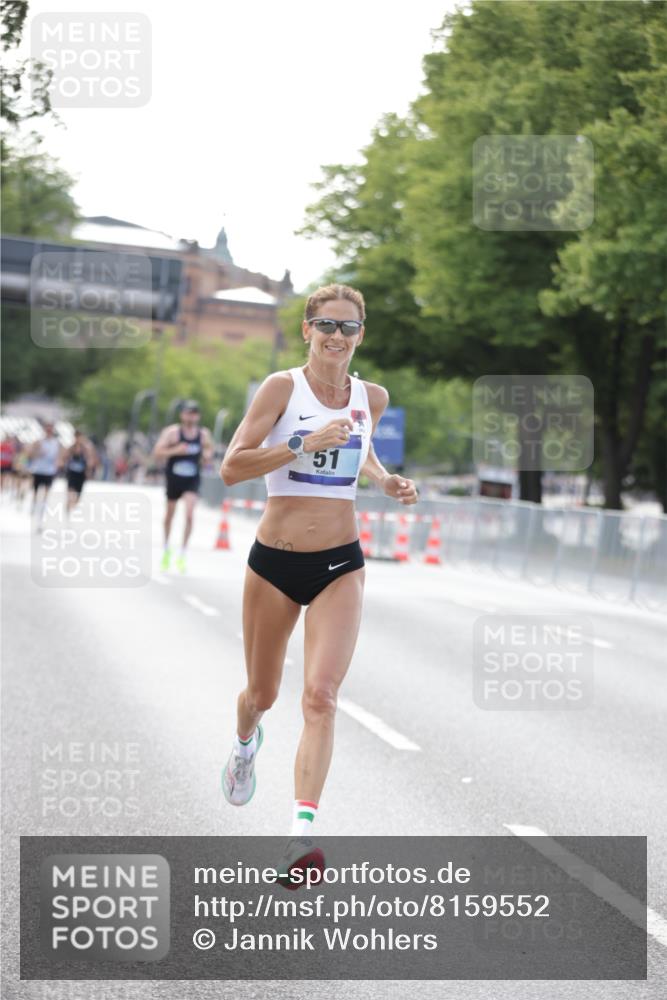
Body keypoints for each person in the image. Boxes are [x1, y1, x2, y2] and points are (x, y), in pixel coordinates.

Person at [219, 283, 418, 883]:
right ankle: (246, 740)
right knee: (264, 694)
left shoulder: (370, 397)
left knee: (321, 697)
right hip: (275, 563)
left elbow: (366, 454)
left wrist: (385, 482)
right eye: (326, 325)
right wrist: (302, 442)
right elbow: (232, 467)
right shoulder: (283, 388)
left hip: (341, 563)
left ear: (362, 335)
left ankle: (300, 840)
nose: (337, 336)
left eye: (348, 328)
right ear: (307, 330)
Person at [153, 400, 214, 573]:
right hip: (174, 478)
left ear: (198, 416)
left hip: (192, 480)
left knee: (189, 514)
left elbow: (209, 450)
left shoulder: (203, 434)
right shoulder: (172, 433)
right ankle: (166, 549)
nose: (191, 416)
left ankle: (183, 553)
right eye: (188, 413)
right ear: (182, 415)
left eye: (194, 413)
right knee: (169, 515)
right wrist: (175, 451)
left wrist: (207, 456)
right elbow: (157, 452)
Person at [27, 422, 63, 531]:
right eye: (47, 429)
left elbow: (60, 457)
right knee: (36, 492)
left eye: (50, 429)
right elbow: (30, 455)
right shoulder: (39, 442)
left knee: (46, 494)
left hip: (49, 472)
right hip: (38, 470)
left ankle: (41, 514)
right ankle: (34, 506)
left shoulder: (57, 443)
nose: (49, 431)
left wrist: (58, 463)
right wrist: (38, 452)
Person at [63, 430, 98, 514]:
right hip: (72, 472)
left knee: (78, 496)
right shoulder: (71, 447)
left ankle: (73, 504)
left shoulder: (86, 449)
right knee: (71, 490)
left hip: (81, 473)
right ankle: (69, 503)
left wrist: (89, 470)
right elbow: (64, 457)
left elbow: (90, 460)